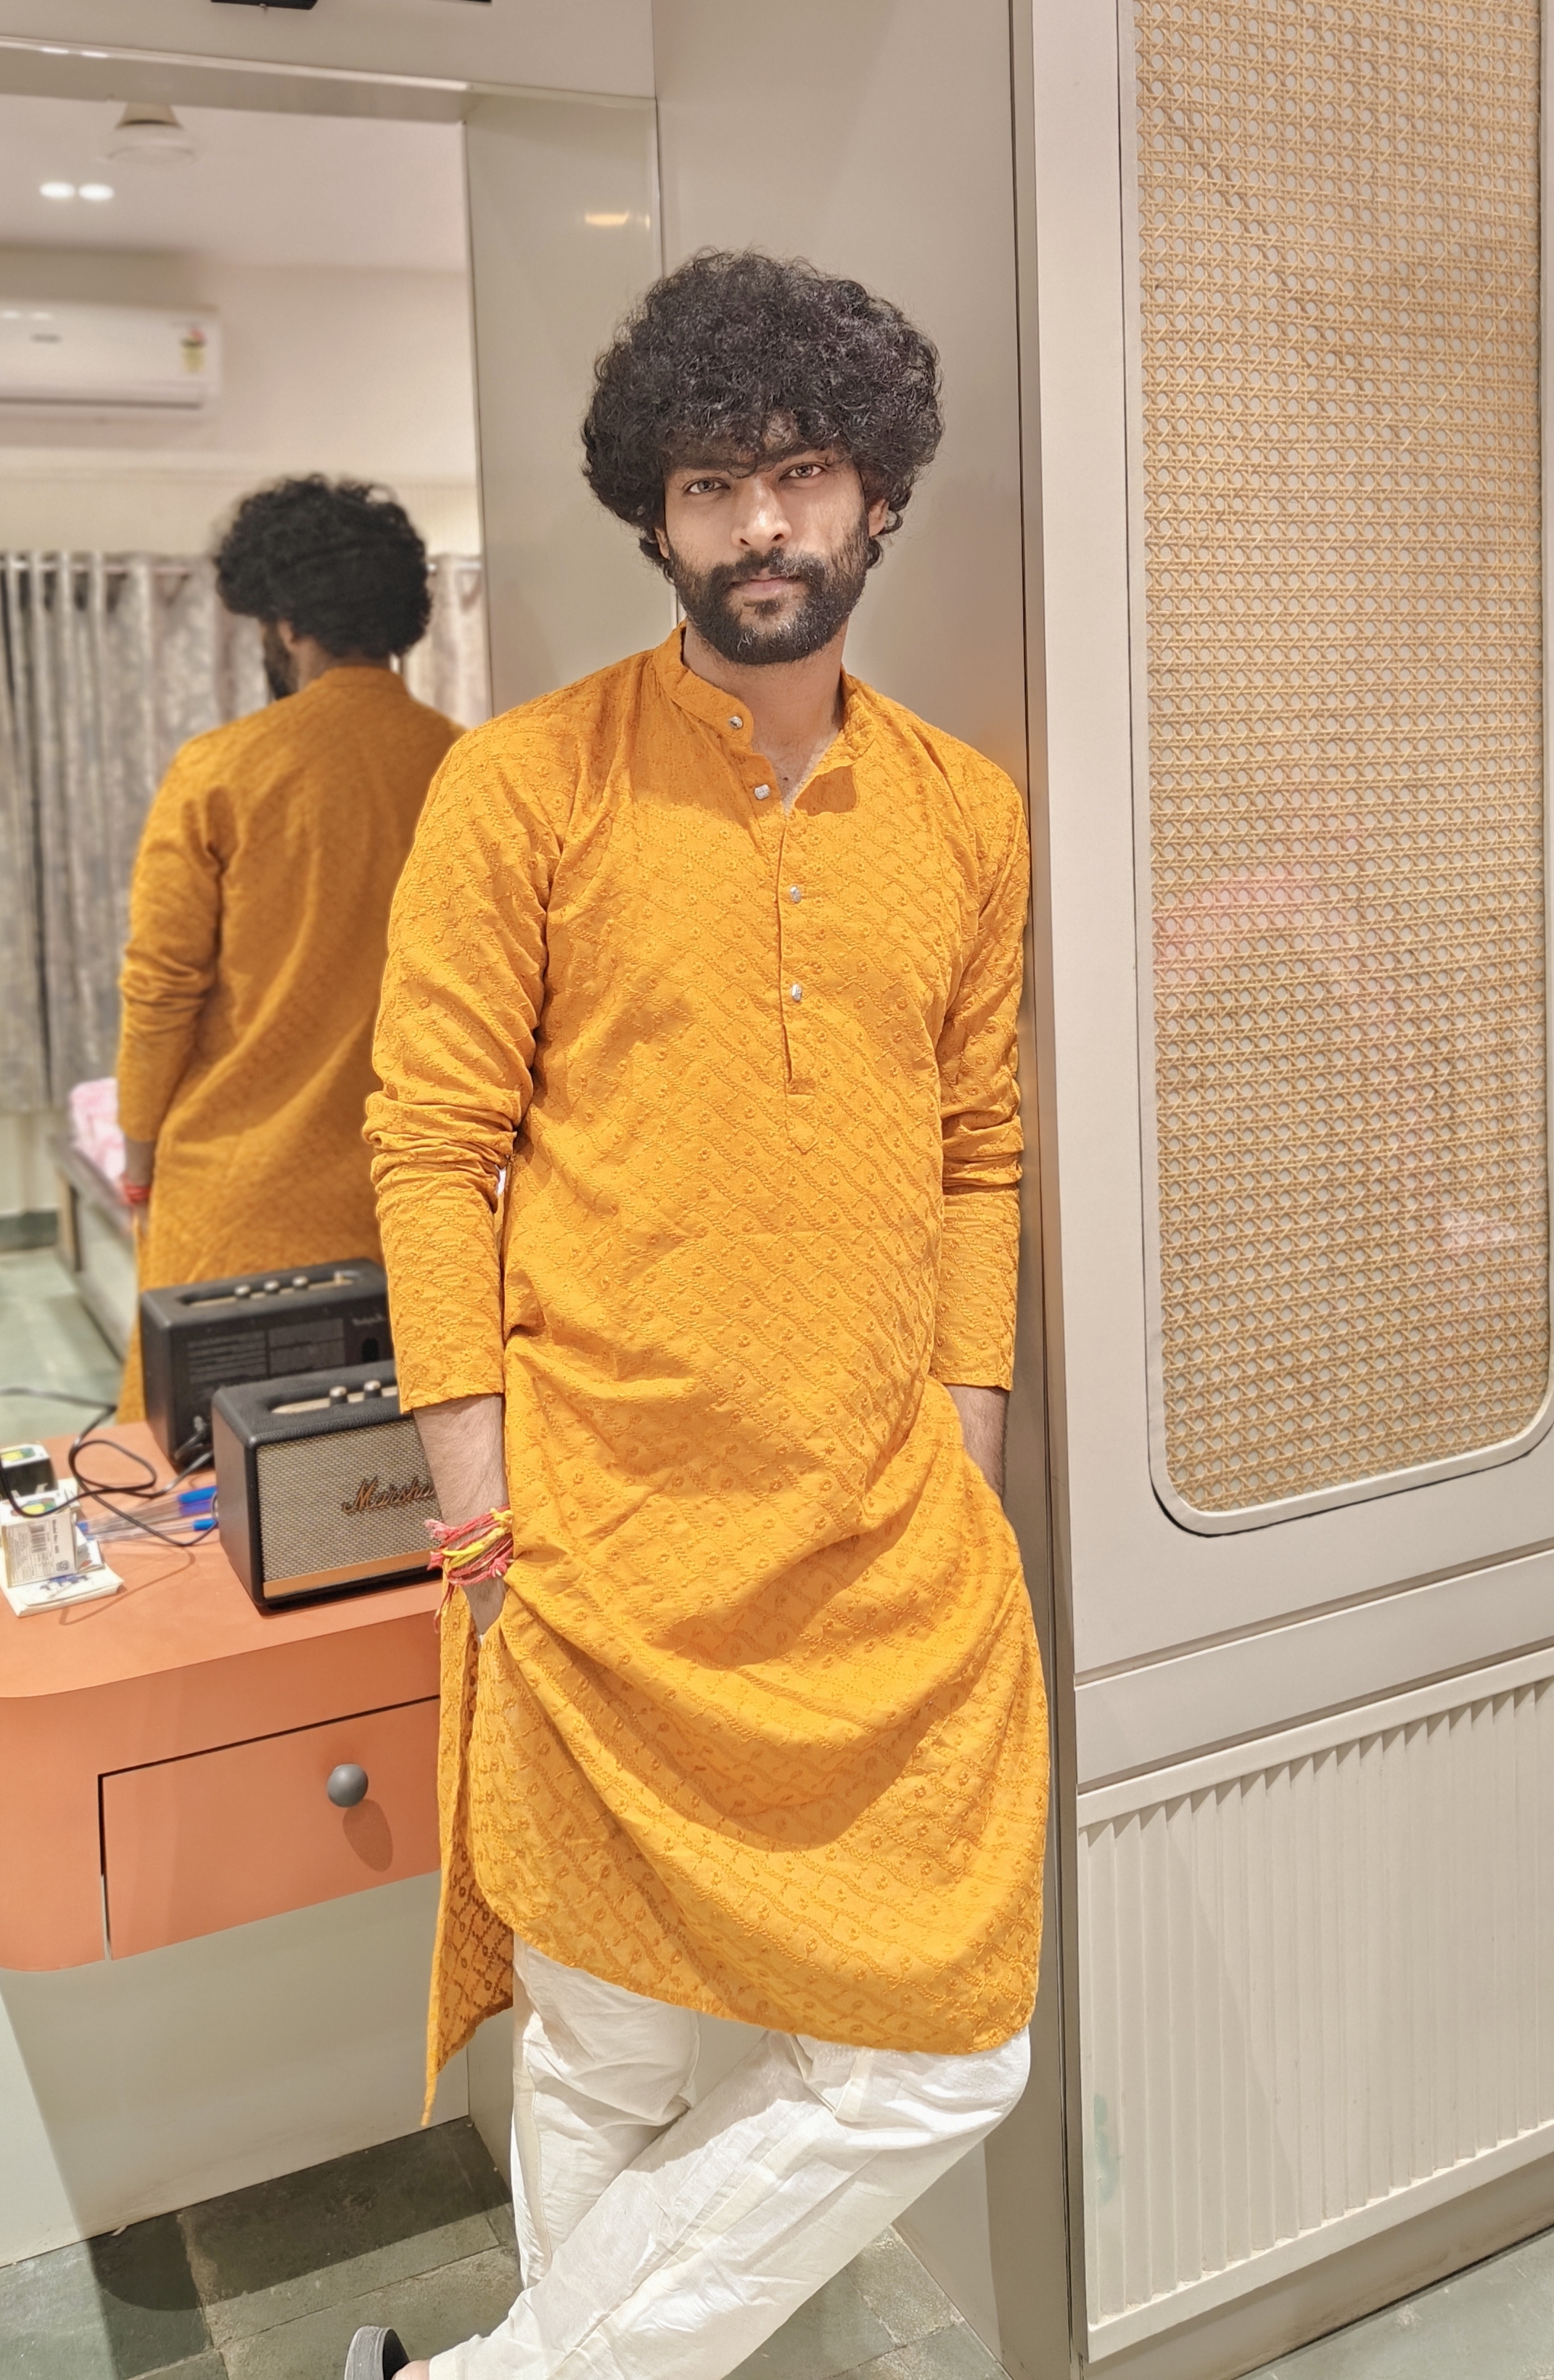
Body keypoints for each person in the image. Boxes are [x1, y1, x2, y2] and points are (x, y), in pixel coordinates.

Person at [353, 252, 1048, 2380]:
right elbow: (427, 1148)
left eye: (805, 471)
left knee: (942, 2052)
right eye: (711, 484)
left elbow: (978, 1150)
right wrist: (479, 1519)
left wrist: (960, 1455)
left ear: (879, 494)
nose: (762, 523)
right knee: (609, 2048)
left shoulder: (964, 812)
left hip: (877, 1550)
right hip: (600, 1542)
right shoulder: (523, 788)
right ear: (651, 518)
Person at [114, 476, 462, 1422]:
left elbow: (161, 988)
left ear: (287, 622)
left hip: (238, 1196)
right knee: (383, 1463)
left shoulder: (221, 771)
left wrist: (139, 1154)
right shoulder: (467, 766)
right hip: (410, 1198)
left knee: (197, 1464)